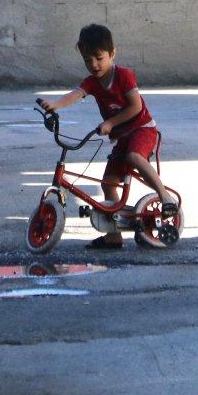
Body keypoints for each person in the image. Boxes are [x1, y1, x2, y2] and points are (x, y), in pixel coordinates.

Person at [39, 24, 177, 250]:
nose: (93, 65)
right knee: (109, 183)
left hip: (143, 130)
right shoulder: (92, 82)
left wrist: (111, 123)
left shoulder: (123, 76)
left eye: (99, 58)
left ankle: (165, 197)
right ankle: (113, 236)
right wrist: (55, 104)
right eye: (87, 60)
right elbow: (76, 94)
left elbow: (135, 107)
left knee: (133, 157)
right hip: (123, 137)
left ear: (112, 53)